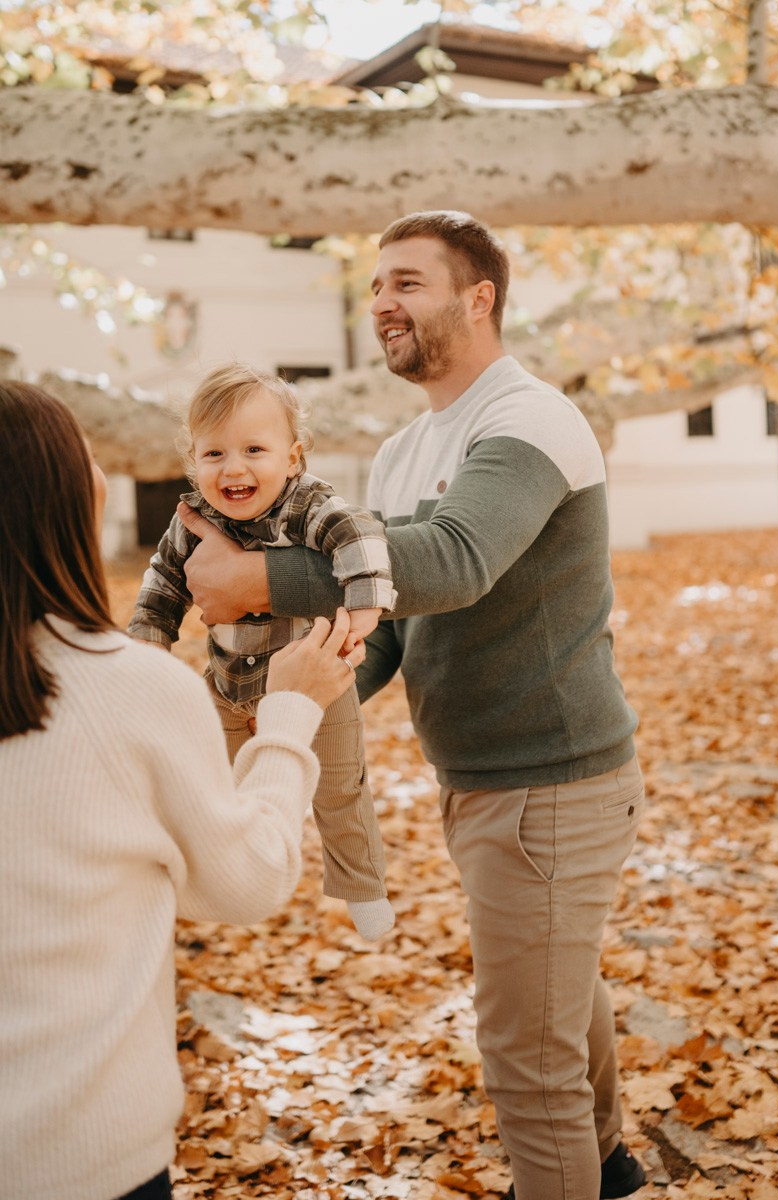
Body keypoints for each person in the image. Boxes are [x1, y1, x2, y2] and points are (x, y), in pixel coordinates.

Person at [176, 211, 648, 1200]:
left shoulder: (526, 420)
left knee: (526, 1064)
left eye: (408, 282)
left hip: (550, 783)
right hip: (484, 783)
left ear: (478, 299)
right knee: (557, 987)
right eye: (376, 285)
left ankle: (571, 1168)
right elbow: (379, 623)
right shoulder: (399, 454)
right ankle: (603, 1168)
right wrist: (274, 701)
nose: (382, 302)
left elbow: (456, 562)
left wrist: (259, 577)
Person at [0, 380, 365, 1200]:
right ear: (64, 495)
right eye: (90, 455)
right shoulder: (133, 690)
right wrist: (289, 714)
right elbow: (243, 881)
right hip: (84, 1155)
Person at [128, 364, 397, 941]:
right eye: (214, 454)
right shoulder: (192, 521)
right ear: (194, 461)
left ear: (293, 457)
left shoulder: (306, 506)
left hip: (313, 684)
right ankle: (213, 873)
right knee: (207, 786)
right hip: (226, 686)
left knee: (341, 792)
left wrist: (367, 603)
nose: (234, 468)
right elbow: (162, 586)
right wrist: (147, 648)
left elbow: (359, 533)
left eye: (255, 449)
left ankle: (362, 886)